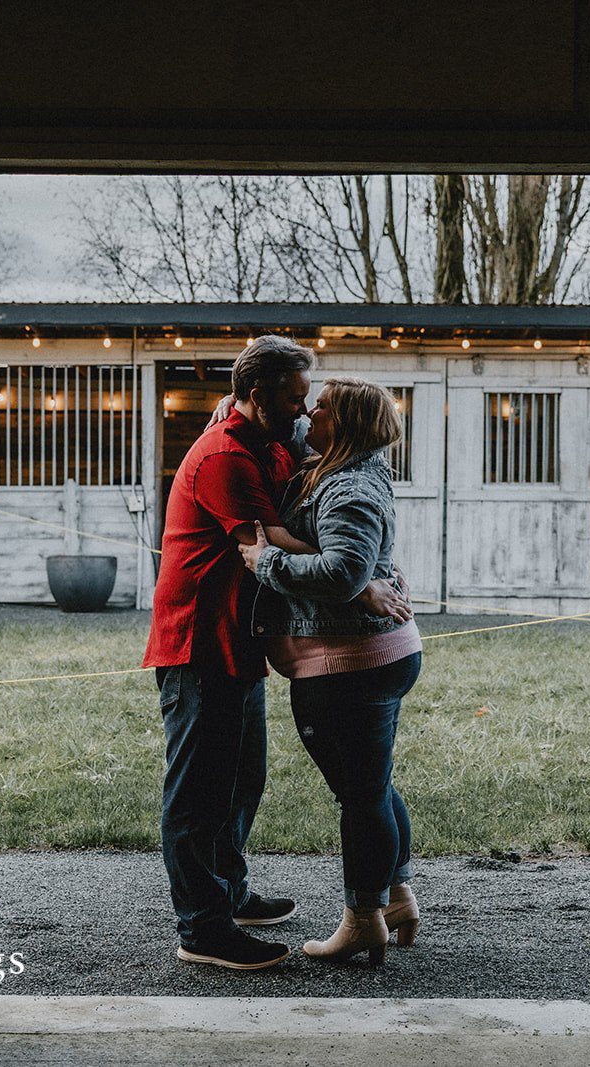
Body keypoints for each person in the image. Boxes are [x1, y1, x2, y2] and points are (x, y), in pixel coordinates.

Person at [143, 338, 411, 971]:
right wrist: (359, 576)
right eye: (294, 401)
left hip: (243, 638)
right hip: (199, 637)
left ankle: (230, 894)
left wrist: (358, 570)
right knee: (198, 790)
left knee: (242, 778)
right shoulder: (224, 457)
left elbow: (319, 474)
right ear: (258, 396)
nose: (302, 413)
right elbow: (269, 541)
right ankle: (202, 927)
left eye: (307, 404)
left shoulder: (272, 437)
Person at [239, 376, 423, 968]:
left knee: (362, 795)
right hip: (361, 655)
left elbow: (343, 572)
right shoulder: (335, 462)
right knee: (373, 786)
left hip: (350, 663)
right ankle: (395, 899)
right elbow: (237, 403)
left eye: (318, 408)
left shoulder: (349, 489)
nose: (306, 413)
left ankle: (362, 918)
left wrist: (265, 560)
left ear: (340, 426)